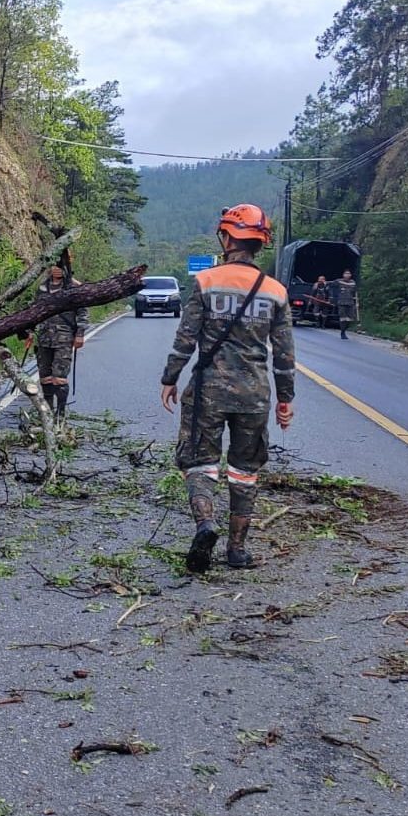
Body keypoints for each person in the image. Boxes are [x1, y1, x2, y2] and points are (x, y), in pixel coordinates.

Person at [160, 204, 295, 573]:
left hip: (208, 392)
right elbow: (284, 357)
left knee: (200, 463)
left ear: (225, 237)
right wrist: (285, 400)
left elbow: (185, 339)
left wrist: (170, 377)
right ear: (259, 243)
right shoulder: (276, 291)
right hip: (254, 395)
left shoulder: (206, 282)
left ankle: (206, 524)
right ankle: (237, 550)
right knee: (245, 470)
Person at [24, 258, 87, 420]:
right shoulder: (42, 288)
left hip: (64, 338)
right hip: (43, 338)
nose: (57, 269)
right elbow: (35, 311)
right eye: (54, 266)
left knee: (59, 377)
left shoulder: (73, 288)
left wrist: (80, 334)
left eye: (61, 266)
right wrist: (29, 332)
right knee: (45, 377)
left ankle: (61, 413)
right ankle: (48, 412)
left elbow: (82, 312)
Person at [334, 269, 359, 339]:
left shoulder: (353, 282)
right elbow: (330, 284)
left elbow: (355, 292)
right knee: (343, 318)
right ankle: (342, 333)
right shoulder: (339, 281)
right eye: (346, 273)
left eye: (348, 274)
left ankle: (345, 329)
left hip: (350, 302)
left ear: (350, 275)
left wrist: (356, 302)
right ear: (343, 275)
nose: (347, 275)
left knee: (350, 319)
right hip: (341, 302)